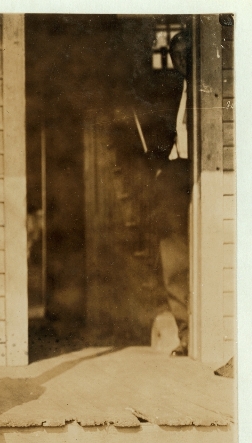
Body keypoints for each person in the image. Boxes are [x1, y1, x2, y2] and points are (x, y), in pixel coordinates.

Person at [132, 29, 192, 355]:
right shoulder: (168, 88)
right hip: (171, 176)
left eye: (188, 55)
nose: (182, 61)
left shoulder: (213, 91)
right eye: (176, 55)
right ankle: (186, 335)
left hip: (198, 175)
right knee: (174, 259)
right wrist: (155, 166)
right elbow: (157, 130)